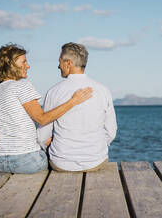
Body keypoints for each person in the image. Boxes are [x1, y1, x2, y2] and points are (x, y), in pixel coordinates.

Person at [0, 44, 92, 174]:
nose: (28, 66)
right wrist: (74, 101)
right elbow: (42, 119)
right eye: (24, 62)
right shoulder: (21, 86)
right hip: (26, 161)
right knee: (59, 156)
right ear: (11, 65)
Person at [37, 42, 117, 172]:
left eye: (60, 62)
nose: (58, 66)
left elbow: (42, 136)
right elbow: (111, 132)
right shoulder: (103, 90)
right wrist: (96, 148)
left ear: (68, 63)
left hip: (61, 163)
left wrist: (50, 146)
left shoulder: (54, 91)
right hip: (95, 162)